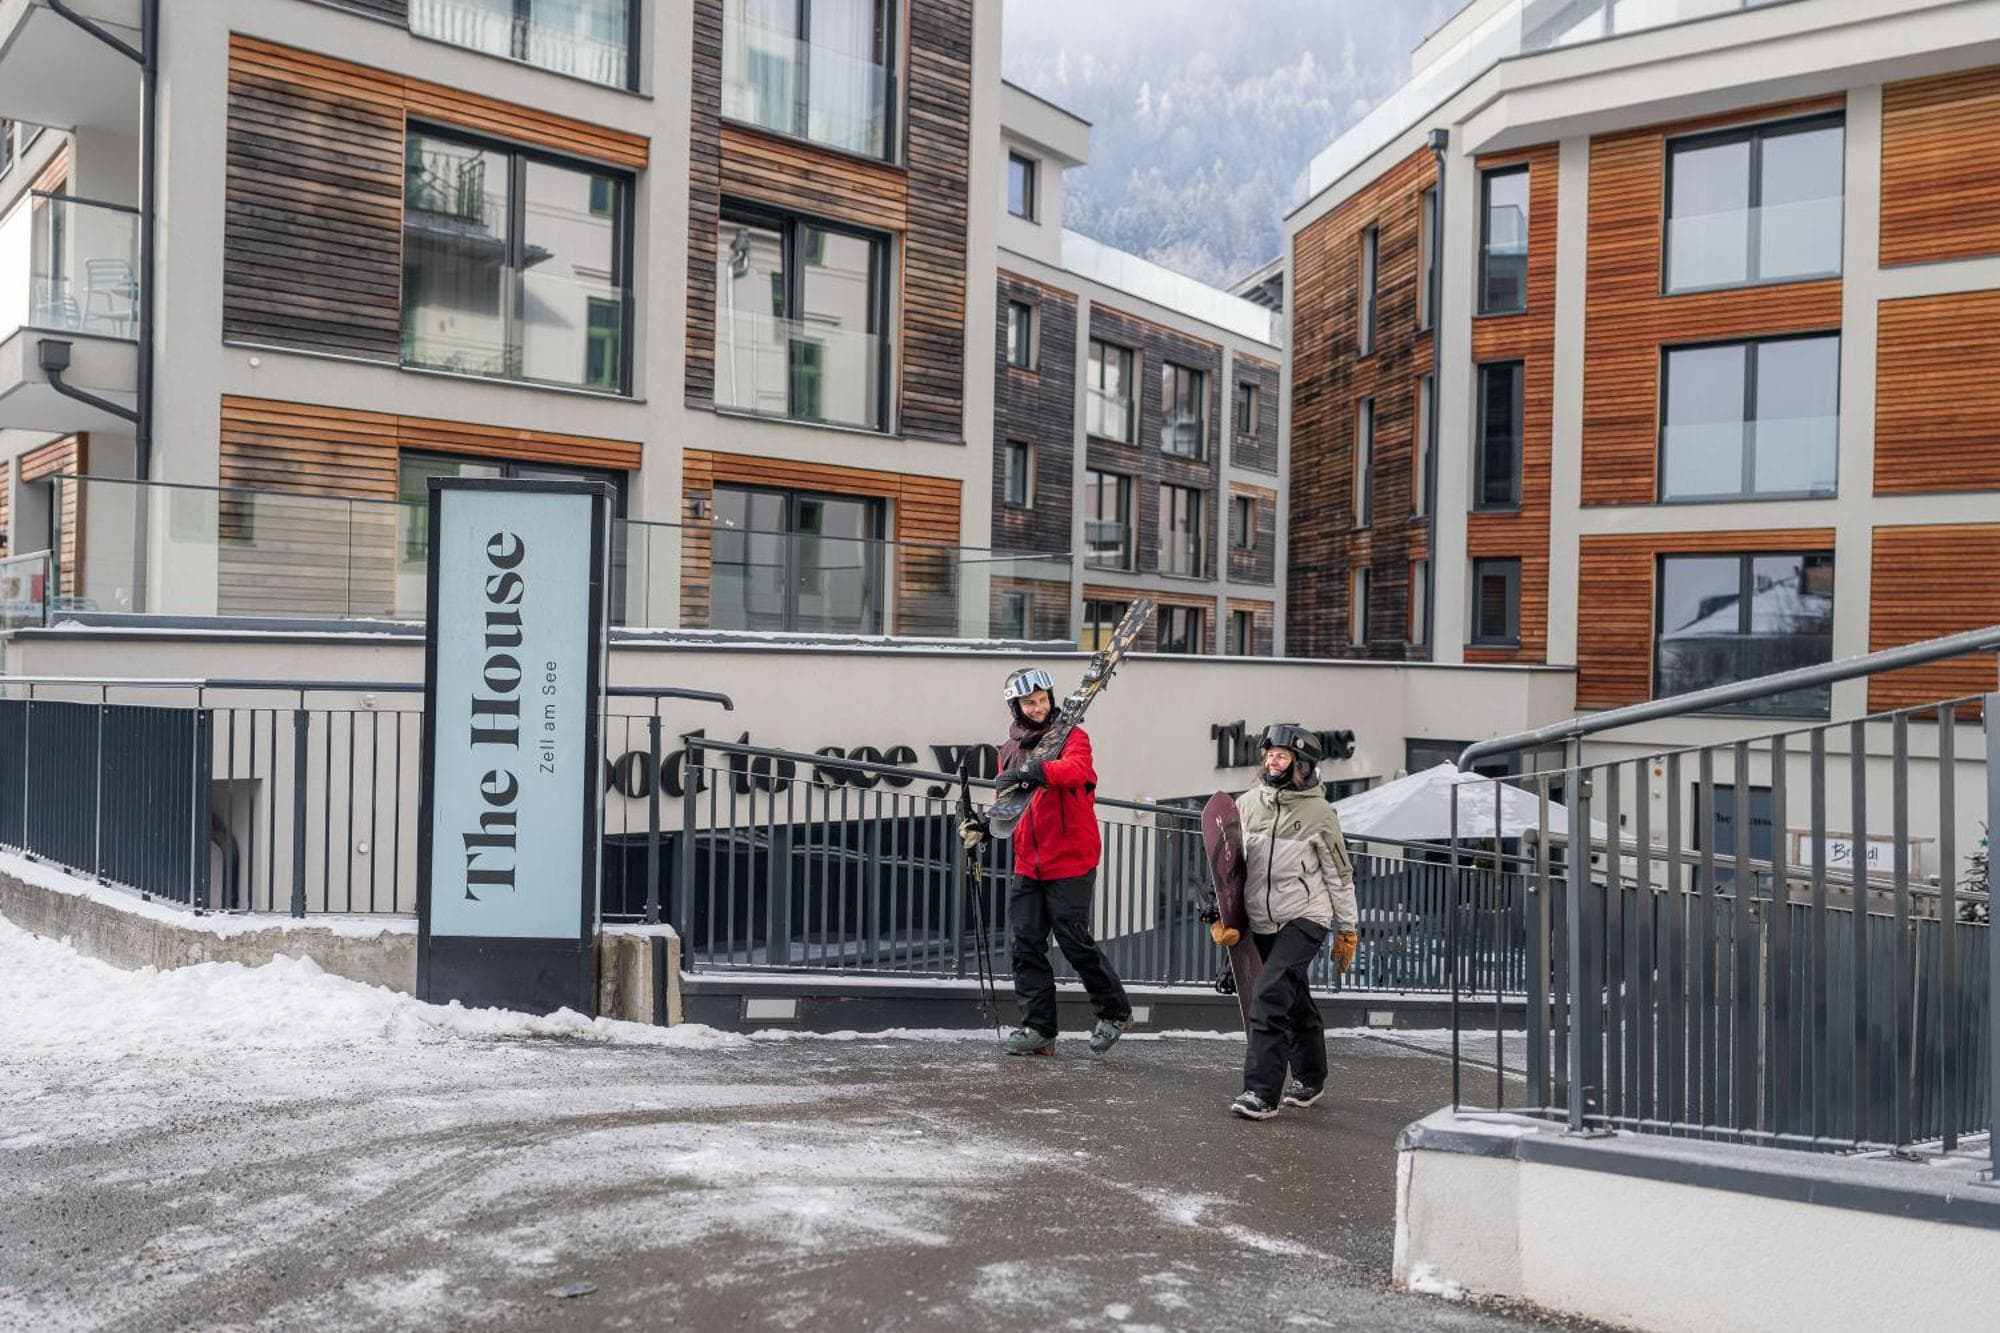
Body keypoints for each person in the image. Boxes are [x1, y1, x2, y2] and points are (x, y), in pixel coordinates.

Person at [971, 666, 1132, 1057]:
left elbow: (1077, 771)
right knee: (1025, 944)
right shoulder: (1007, 751)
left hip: (1071, 859)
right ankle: (1039, 1029)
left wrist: (1037, 769)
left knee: (1073, 939)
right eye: (1029, 702)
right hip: (1029, 861)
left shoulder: (1072, 736)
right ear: (1016, 706)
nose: (1039, 707)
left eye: (1043, 699)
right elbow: (1009, 804)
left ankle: (1114, 1011)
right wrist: (984, 828)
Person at [1230, 723, 1360, 1120]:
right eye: (1270, 754)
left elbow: (1339, 875)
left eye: (1282, 756)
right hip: (1262, 918)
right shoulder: (1246, 804)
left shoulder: (1320, 813)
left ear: (1301, 764)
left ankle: (1261, 1093)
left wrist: (1347, 928)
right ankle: (1311, 1077)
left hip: (1305, 916)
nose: (1273, 761)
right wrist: (1225, 914)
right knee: (1294, 997)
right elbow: (1232, 870)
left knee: (1269, 995)